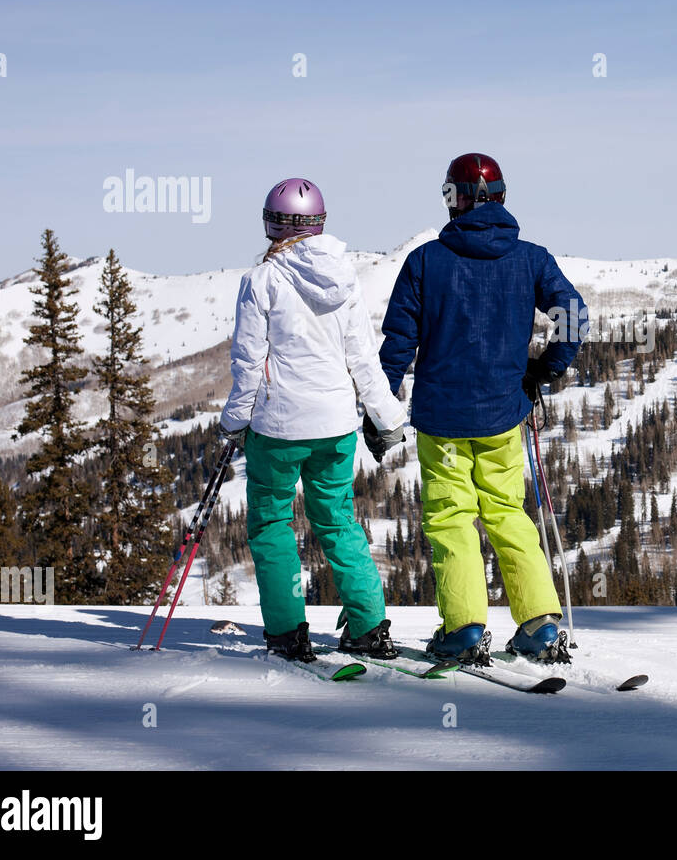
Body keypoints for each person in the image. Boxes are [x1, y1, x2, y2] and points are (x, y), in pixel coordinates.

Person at [373, 153, 587, 664]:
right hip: (501, 418)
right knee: (508, 514)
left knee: (452, 519)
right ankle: (539, 623)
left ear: (457, 199)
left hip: (442, 422)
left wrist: (380, 407)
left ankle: (465, 628)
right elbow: (574, 315)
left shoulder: (426, 261)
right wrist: (547, 369)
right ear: (503, 196)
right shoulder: (531, 259)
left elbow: (398, 343)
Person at [219, 178, 407, 664]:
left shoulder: (261, 281)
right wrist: (387, 417)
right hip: (336, 426)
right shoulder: (344, 278)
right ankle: (367, 626)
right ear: (319, 222)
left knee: (272, 524)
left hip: (278, 429)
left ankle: (287, 630)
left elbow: (247, 361)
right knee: (339, 521)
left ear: (271, 223)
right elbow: (363, 358)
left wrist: (235, 421)